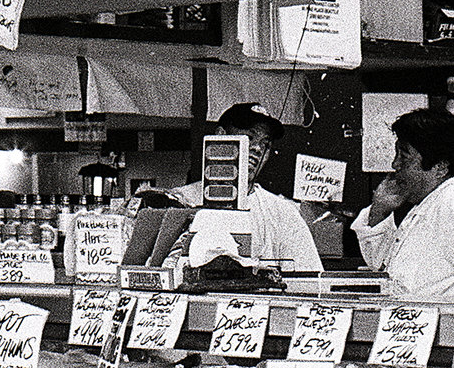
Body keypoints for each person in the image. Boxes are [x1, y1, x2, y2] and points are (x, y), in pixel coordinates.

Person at [122, 104, 321, 272]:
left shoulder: (283, 212)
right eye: (249, 138)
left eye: (265, 144)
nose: (257, 149)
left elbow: (308, 277)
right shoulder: (179, 201)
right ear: (220, 137)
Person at [355, 109, 454, 303]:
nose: (395, 164)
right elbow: (379, 265)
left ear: (440, 167)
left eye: (404, 156)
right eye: (396, 154)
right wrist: (379, 212)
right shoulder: (428, 202)